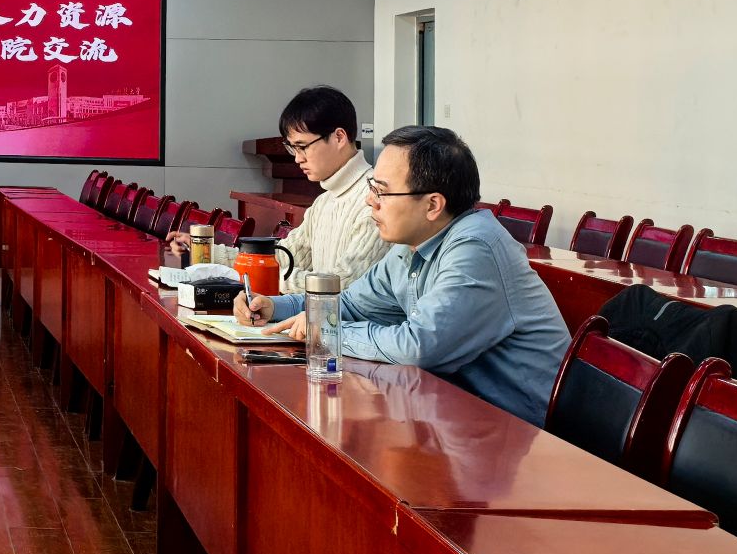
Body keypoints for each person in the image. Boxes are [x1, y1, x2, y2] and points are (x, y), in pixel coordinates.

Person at [241, 125, 570, 424]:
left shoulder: (475, 248)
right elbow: (350, 305)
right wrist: (270, 306)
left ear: (432, 205)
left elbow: (419, 347)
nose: (370, 201)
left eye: (381, 191)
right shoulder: (411, 246)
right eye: (372, 188)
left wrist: (325, 330)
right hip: (454, 416)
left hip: (521, 434)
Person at [172, 84, 386, 291]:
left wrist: (260, 273)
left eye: (302, 147)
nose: (298, 159)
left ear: (339, 137)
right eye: (293, 149)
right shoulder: (324, 201)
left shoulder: (376, 200)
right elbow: (283, 256)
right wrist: (206, 252)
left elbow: (342, 286)